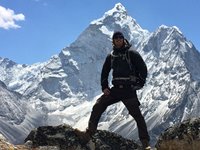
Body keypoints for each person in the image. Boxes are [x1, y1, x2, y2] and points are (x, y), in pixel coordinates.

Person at [76, 31, 151, 149]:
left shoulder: (132, 53)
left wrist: (140, 83)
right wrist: (105, 87)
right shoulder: (111, 56)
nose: (118, 40)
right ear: (113, 41)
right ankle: (90, 132)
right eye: (116, 38)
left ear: (123, 39)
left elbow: (143, 68)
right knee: (98, 105)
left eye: (120, 38)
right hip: (115, 90)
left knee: (137, 116)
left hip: (128, 90)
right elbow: (104, 72)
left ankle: (145, 143)